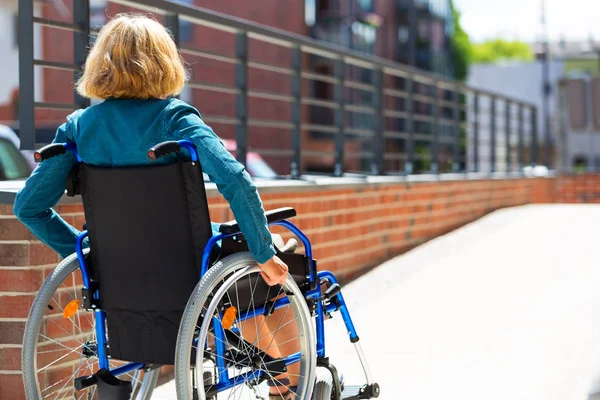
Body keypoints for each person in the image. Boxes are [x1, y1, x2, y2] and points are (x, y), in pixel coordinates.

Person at [13, 14, 297, 398]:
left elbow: (28, 206)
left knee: (243, 261)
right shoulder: (175, 118)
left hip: (120, 273)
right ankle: (289, 385)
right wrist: (264, 251)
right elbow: (235, 180)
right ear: (164, 63)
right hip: (189, 269)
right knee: (269, 261)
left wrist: (90, 259)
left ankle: (281, 380)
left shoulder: (80, 127)